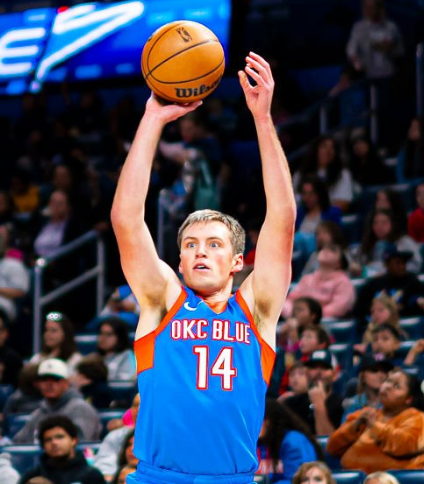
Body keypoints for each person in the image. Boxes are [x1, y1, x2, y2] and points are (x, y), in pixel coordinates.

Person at [111, 53, 295, 484]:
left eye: (214, 245)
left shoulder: (257, 309)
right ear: (179, 262)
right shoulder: (162, 301)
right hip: (158, 478)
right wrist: (152, 120)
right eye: (190, 245)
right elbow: (126, 220)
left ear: (237, 262)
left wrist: (262, 119)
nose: (200, 252)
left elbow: (283, 218)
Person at [326, 369, 424, 473]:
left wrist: (374, 426)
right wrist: (354, 426)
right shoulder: (366, 414)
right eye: (388, 381)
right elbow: (332, 448)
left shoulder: (419, 418)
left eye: (397, 386)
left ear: (408, 399)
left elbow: (405, 445)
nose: (388, 387)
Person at [13, 359, 101, 443]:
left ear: (66, 383)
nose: (49, 384)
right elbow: (18, 442)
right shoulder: (39, 413)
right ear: (38, 384)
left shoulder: (81, 409)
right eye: (44, 380)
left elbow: (80, 444)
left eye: (56, 379)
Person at [19, 415, 105, 484]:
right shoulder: (32, 477)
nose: (54, 443)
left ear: (74, 440)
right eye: (48, 440)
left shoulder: (92, 476)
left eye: (60, 437)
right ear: (43, 446)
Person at [256, 400, 324, 484]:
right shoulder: (252, 445)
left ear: (269, 421)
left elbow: (299, 479)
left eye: (258, 419)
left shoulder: (294, 441)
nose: (252, 424)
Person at [282, 244, 355, 319]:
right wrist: (290, 312)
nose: (325, 251)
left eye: (332, 251)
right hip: (297, 319)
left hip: (321, 322)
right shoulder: (307, 279)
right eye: (323, 249)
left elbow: (339, 307)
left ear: (339, 263)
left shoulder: (343, 282)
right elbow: (291, 299)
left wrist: (311, 316)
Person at [346, 0, 404, 79]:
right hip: (367, 75)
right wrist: (356, 62)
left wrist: (385, 47)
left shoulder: (390, 27)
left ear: (379, 8)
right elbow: (351, 50)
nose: (367, 10)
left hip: (389, 74)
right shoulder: (358, 28)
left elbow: (397, 50)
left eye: (371, 7)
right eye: (365, 7)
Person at [354, 209, 422, 278]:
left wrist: (396, 269)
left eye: (384, 222)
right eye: (375, 223)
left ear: (393, 224)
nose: (379, 226)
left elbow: (416, 265)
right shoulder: (366, 244)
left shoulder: (404, 241)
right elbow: (358, 266)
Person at [294, 136, 354, 212]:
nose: (328, 151)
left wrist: (317, 212)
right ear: (315, 150)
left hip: (329, 216)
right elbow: (292, 200)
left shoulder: (343, 174)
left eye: (332, 148)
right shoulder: (300, 174)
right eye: (324, 146)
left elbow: (344, 203)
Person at [93, 394, 139, 480]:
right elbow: (103, 467)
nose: (138, 410)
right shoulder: (116, 435)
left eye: (143, 405)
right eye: (135, 405)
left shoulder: (163, 441)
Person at [341, 357, 393, 422]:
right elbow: (345, 427)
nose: (381, 375)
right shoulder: (353, 403)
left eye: (384, 371)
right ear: (363, 376)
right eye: (374, 370)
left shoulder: (393, 402)